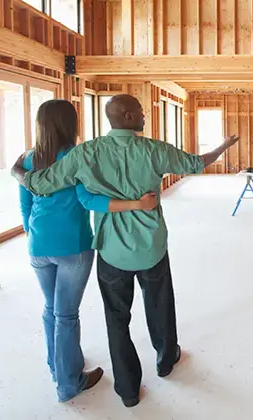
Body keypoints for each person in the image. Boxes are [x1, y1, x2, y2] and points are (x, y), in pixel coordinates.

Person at [12, 94, 239, 408]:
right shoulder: (153, 149)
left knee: (116, 319)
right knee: (160, 304)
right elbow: (196, 163)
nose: (145, 115)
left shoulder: (86, 153)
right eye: (142, 111)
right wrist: (223, 146)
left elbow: (41, 184)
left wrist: (17, 172)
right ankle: (165, 360)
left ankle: (128, 389)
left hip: (111, 250)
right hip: (151, 247)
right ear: (129, 117)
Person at [19, 99, 158, 404]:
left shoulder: (30, 158)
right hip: (73, 245)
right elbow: (88, 200)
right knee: (66, 313)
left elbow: (25, 204)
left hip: (38, 246)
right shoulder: (78, 156)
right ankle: (69, 383)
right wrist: (135, 204)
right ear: (70, 124)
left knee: (50, 309)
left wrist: (36, 235)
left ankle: (57, 365)